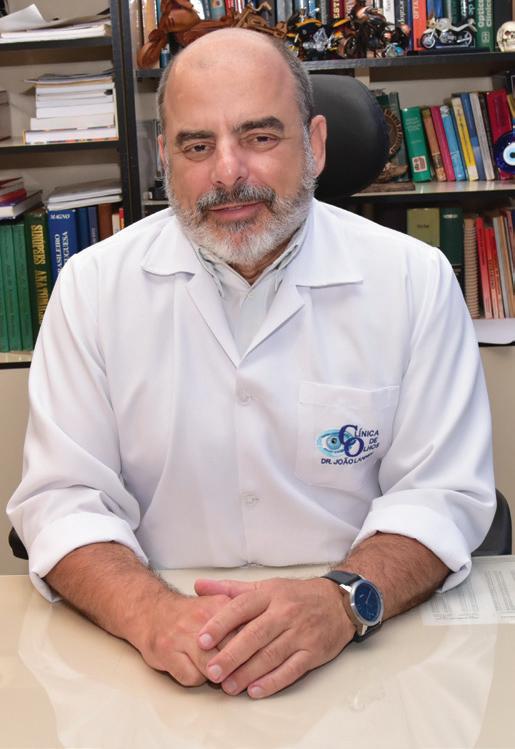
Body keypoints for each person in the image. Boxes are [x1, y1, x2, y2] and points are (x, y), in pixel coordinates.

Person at [7, 28, 495, 700]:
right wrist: (153, 614)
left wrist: (340, 600)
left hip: (362, 643)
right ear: (164, 157)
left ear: (315, 144)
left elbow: (441, 495)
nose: (227, 173)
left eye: (260, 137)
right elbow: (63, 498)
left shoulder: (414, 279)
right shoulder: (91, 287)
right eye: (196, 146)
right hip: (153, 642)